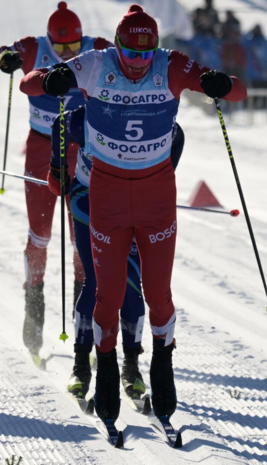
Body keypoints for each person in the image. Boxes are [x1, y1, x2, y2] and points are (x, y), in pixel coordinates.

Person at [21, 3, 246, 422]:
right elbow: (31, 86)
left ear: (156, 49)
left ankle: (160, 366)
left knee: (156, 293)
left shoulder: (170, 64)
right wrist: (53, 77)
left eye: (147, 54)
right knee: (104, 293)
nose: (139, 63)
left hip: (155, 197)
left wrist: (218, 83)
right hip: (102, 195)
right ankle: (102, 368)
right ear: (118, 45)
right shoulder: (95, 63)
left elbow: (237, 91)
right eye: (131, 53)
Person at [0, 1, 110, 366]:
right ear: (49, 39)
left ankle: (86, 321)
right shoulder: (33, 46)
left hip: (83, 148)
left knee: (83, 236)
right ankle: (34, 316)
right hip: (41, 147)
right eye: (59, 48)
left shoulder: (99, 47)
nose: (66, 55)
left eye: (73, 48)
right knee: (40, 234)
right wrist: (4, 61)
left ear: (82, 38)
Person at [50, 106, 186, 403]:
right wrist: (57, 169)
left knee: (132, 284)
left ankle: (131, 367)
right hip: (89, 202)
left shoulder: (149, 114)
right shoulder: (87, 116)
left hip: (138, 206)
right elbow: (62, 124)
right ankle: (82, 365)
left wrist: (162, 177)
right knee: (97, 283)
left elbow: (176, 136)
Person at [243, 25, 267, 109]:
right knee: (251, 98)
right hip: (252, 75)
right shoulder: (250, 42)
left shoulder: (265, 42)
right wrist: (250, 32)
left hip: (264, 75)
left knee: (265, 98)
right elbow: (242, 40)